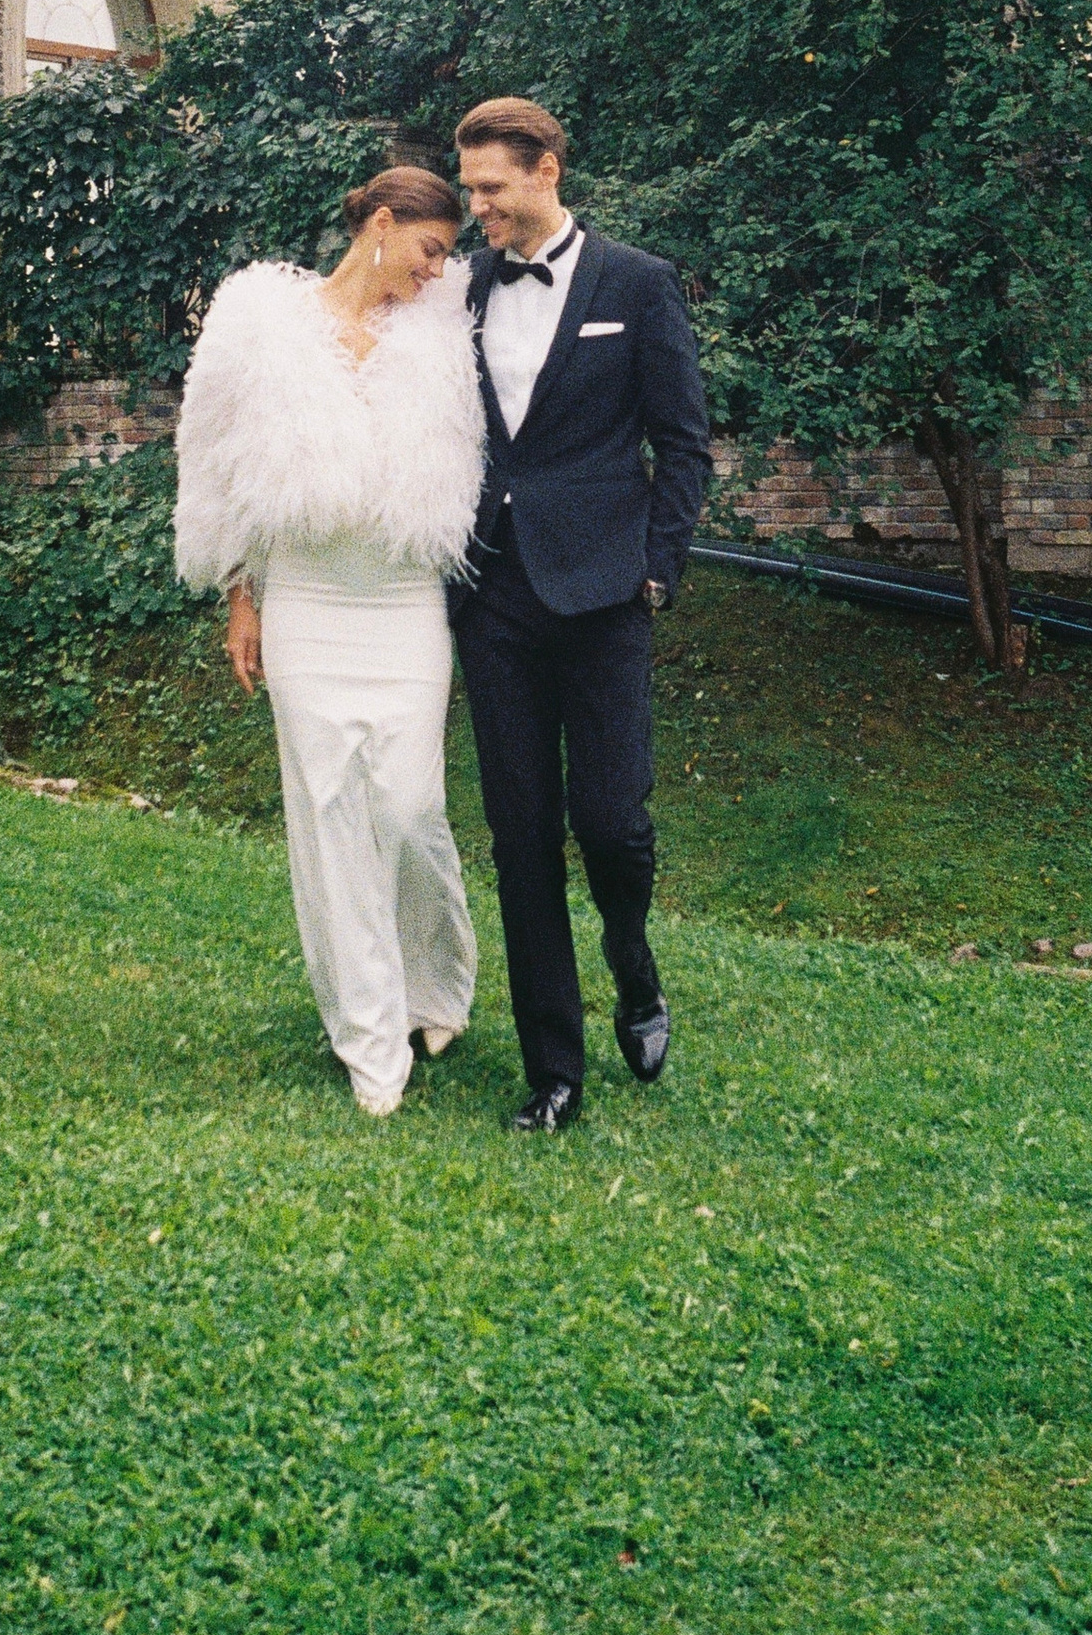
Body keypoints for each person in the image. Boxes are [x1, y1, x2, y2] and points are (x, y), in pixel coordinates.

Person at [172, 165, 484, 1118]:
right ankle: (369, 1034)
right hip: (306, 597)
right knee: (332, 806)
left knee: (409, 803)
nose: (440, 271)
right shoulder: (258, 323)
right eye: (431, 248)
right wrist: (240, 594)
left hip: (402, 600)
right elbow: (213, 461)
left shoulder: (444, 329)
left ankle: (438, 982)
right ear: (381, 226)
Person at [448, 99, 713, 1131]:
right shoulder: (462, 289)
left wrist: (658, 572)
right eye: (469, 190)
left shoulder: (636, 284)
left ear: (545, 170)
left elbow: (682, 442)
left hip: (606, 595)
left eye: (491, 189)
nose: (477, 211)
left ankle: (632, 963)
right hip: (494, 597)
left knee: (611, 823)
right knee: (521, 837)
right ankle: (553, 1071)